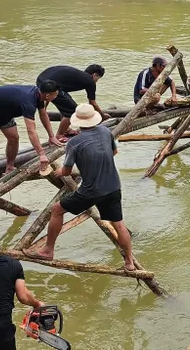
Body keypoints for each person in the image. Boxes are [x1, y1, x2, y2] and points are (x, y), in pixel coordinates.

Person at [26, 104, 136, 271]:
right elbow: (113, 153)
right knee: (118, 224)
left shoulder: (74, 143)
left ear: (77, 123)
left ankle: (48, 250)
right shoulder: (106, 132)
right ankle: (129, 262)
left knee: (56, 210)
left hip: (91, 191)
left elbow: (67, 171)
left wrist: (56, 173)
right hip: (113, 186)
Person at [0, 83, 60, 196]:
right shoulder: (29, 102)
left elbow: (43, 115)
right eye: (56, 94)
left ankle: (9, 167)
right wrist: (41, 154)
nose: (57, 96)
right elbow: (31, 130)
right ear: (48, 95)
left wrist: (51, 136)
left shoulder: (39, 95)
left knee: (14, 137)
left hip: (4, 112)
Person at [36, 64, 107, 142]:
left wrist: (45, 104)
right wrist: (102, 116)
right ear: (94, 75)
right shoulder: (90, 81)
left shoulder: (80, 76)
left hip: (41, 80)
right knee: (72, 110)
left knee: (66, 104)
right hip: (49, 84)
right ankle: (60, 135)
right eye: (98, 78)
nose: (97, 81)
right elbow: (92, 103)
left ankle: (66, 129)